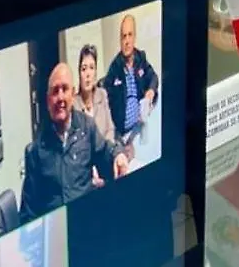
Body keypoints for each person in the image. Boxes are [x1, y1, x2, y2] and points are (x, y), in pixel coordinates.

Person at [20, 63, 127, 224]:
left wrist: (118, 155)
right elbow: (28, 215)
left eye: (65, 89)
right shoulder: (35, 152)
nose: (60, 97)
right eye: (55, 91)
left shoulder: (87, 127)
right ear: (48, 100)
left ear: (73, 93)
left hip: (87, 223)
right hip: (55, 231)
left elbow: (106, 151)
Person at [103, 15, 158, 153]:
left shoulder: (141, 58)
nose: (126, 41)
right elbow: (104, 99)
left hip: (139, 127)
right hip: (122, 134)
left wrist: (150, 91)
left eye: (129, 35)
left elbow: (153, 77)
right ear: (120, 41)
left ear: (134, 37)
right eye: (123, 37)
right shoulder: (115, 67)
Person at [73, 44, 115, 144]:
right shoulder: (74, 104)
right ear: (79, 74)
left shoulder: (102, 95)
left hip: (106, 151)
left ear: (95, 73)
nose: (88, 74)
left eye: (91, 68)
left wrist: (108, 149)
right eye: (84, 69)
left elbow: (110, 129)